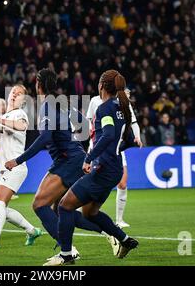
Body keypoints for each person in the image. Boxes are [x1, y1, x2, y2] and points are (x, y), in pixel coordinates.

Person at [5, 68, 107, 260]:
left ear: (39, 84)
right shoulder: (63, 102)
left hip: (67, 161)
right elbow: (85, 126)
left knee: (39, 205)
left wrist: (18, 160)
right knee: (60, 208)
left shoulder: (47, 106)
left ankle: (66, 251)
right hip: (74, 157)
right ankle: (108, 231)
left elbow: (45, 138)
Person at [46, 70, 139, 266]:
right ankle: (124, 239)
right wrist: (114, 150)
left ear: (101, 86)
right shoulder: (122, 107)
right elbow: (129, 139)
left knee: (64, 205)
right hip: (114, 169)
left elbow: (107, 135)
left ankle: (65, 255)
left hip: (103, 169)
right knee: (90, 213)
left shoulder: (105, 108)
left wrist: (90, 158)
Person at [0, 85, 42, 251]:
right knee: (1, 208)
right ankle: (32, 230)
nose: (15, 94)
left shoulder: (20, 114)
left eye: (20, 93)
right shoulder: (3, 117)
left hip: (16, 166)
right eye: (13, 91)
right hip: (4, 169)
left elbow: (21, 126)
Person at [86, 89, 142, 228]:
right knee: (90, 181)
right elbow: (89, 121)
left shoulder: (122, 104)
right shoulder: (95, 101)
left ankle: (119, 220)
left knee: (122, 183)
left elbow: (132, 122)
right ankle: (82, 212)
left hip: (116, 148)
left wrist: (137, 137)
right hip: (98, 148)